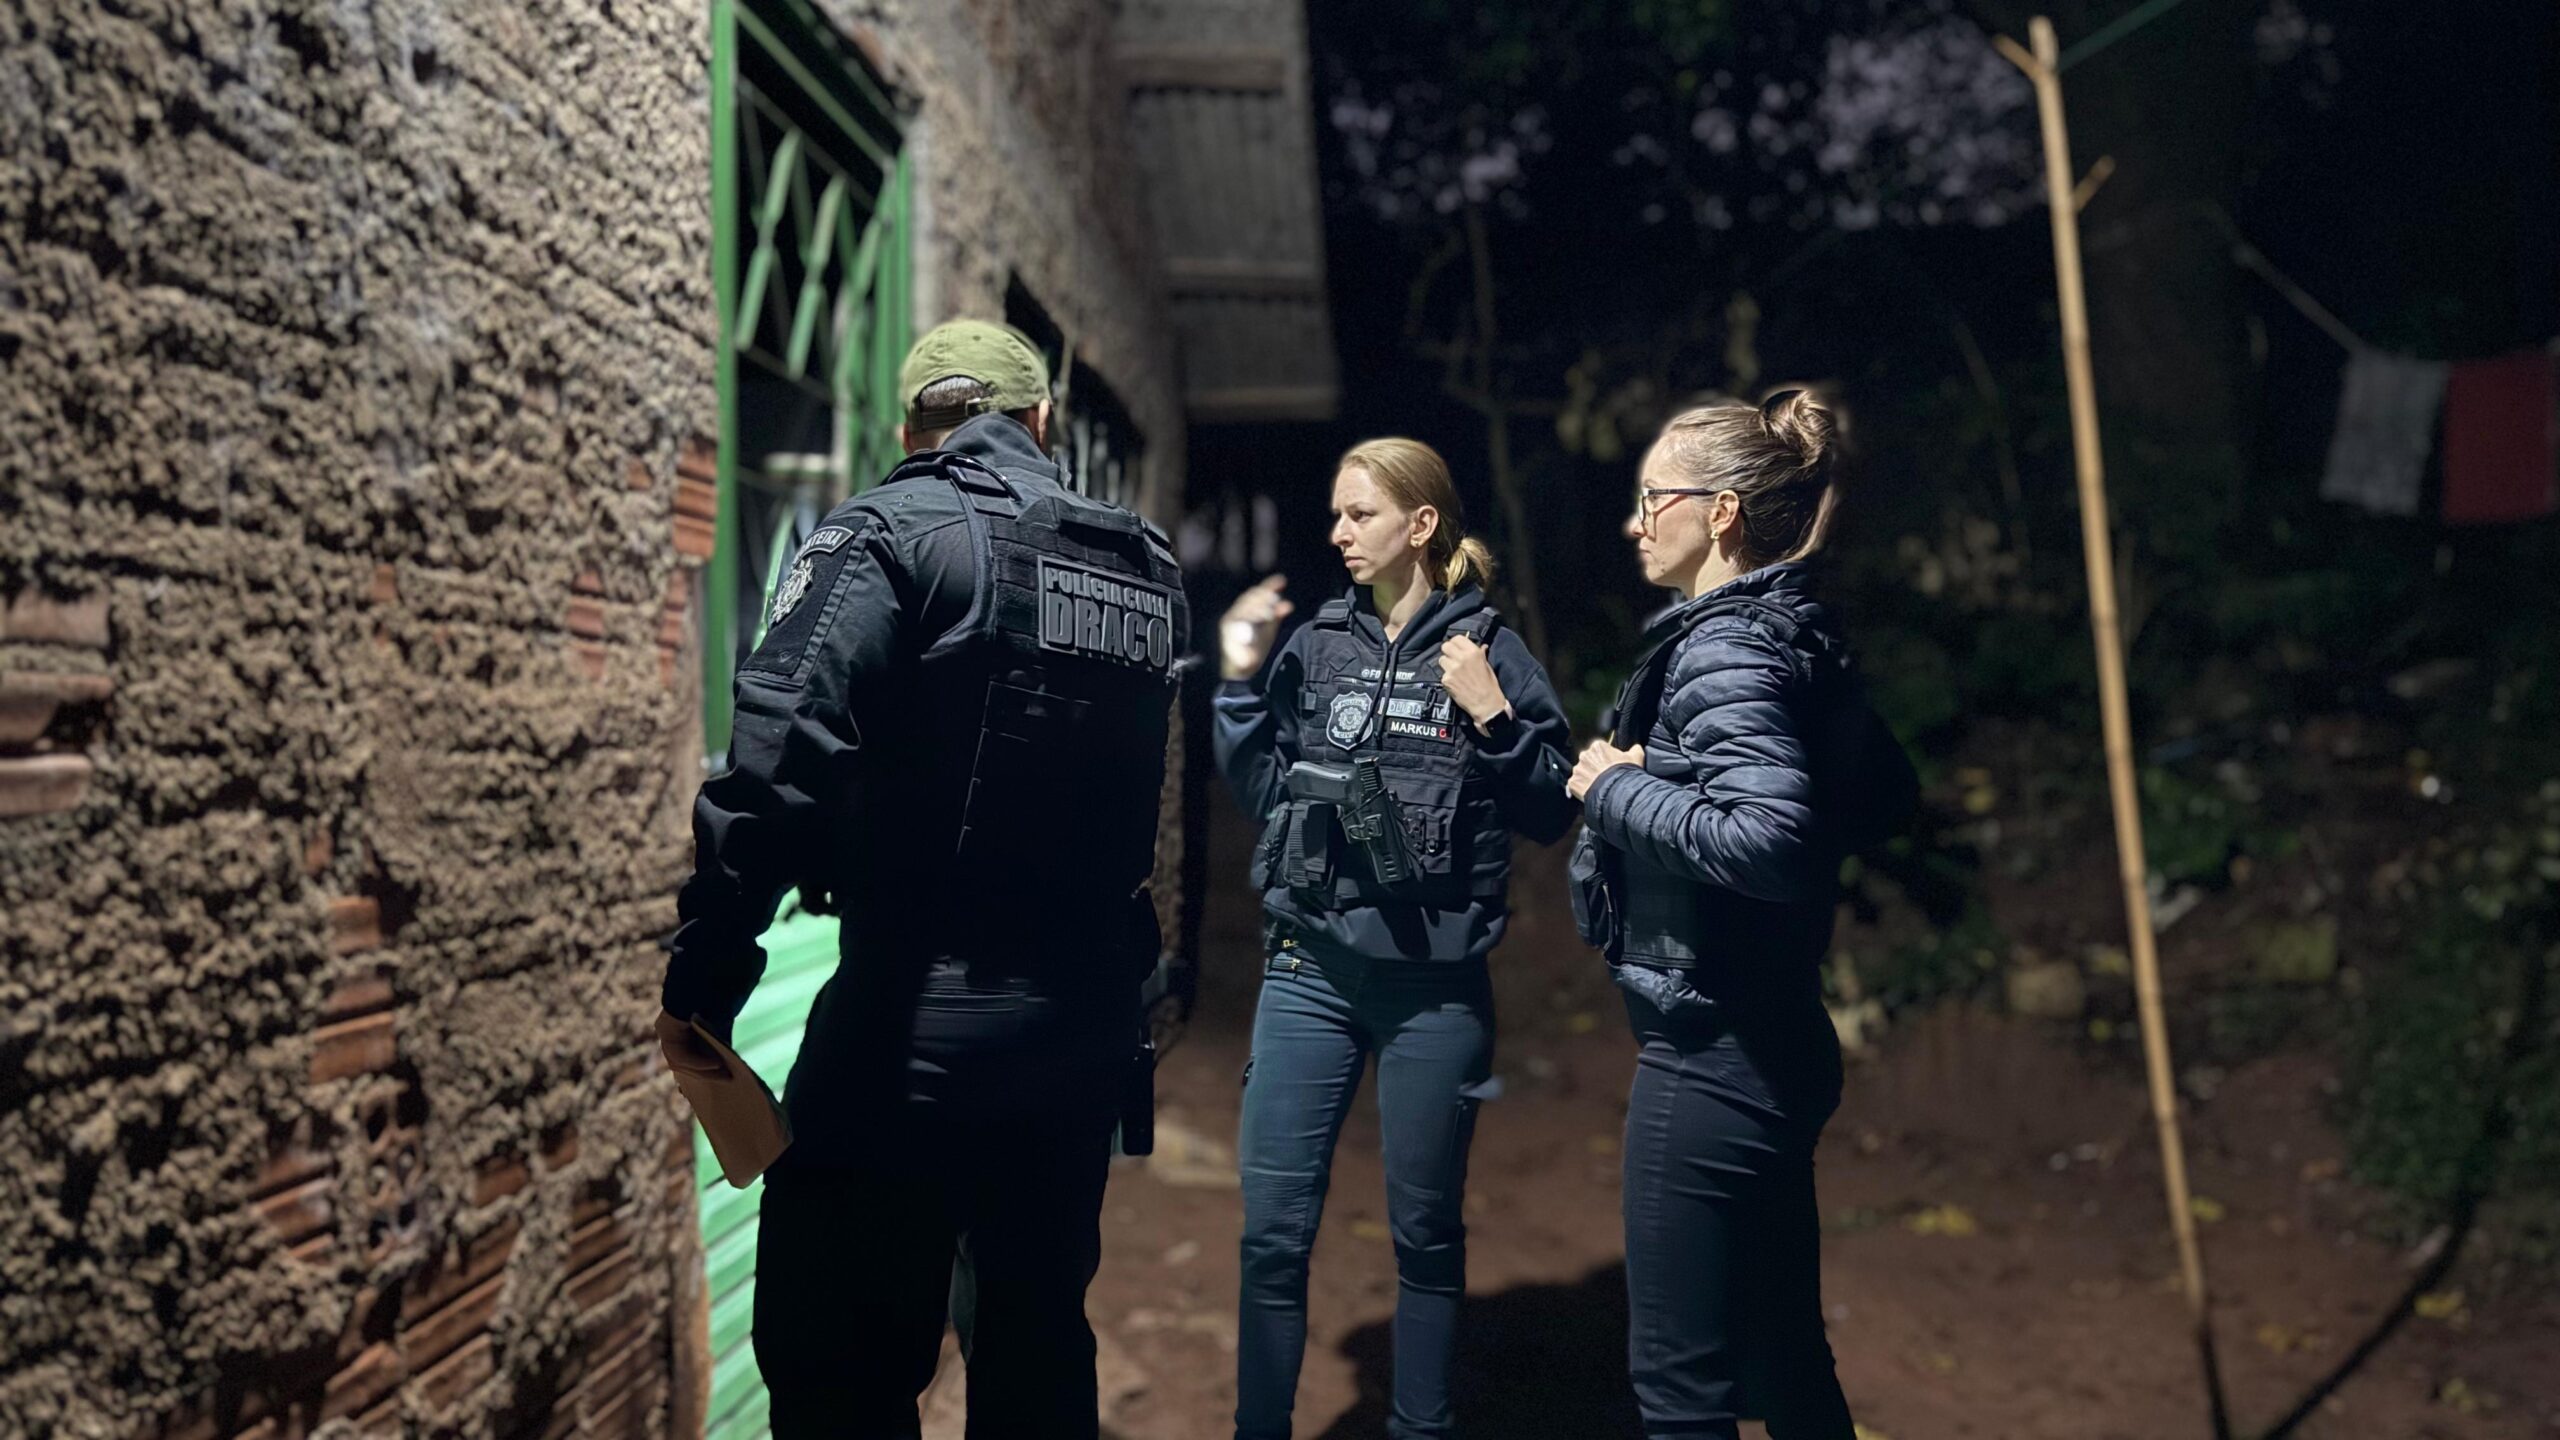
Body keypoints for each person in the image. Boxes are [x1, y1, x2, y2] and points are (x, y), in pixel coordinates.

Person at [655, 319, 1188, 1439]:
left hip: (915, 1026)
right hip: (1081, 1027)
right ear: (1040, 419)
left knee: (838, 1367)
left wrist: (707, 973)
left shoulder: (886, 534)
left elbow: (778, 763)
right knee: (1036, 1349)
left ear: (913, 431)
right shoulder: (1145, 564)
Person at [1214, 438, 1574, 1440]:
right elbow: (1266, 794)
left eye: (1360, 514)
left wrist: (1494, 719)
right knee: (1272, 1235)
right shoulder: (1316, 645)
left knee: (1425, 1237)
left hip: (1434, 992)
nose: (1338, 532)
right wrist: (1237, 682)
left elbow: (1552, 810)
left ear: (1421, 525)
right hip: (1309, 974)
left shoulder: (1489, 652)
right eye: (1335, 513)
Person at [1566, 389, 1875, 1440]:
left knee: (1679, 1385)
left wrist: (1616, 788)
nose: (1635, 523)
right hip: (1777, 1032)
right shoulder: (1799, 629)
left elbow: (1771, 840)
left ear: (1723, 513)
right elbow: (1875, 794)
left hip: (1713, 1055)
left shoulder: (1724, 650)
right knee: (1785, 1359)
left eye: (1655, 499)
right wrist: (1672, 777)